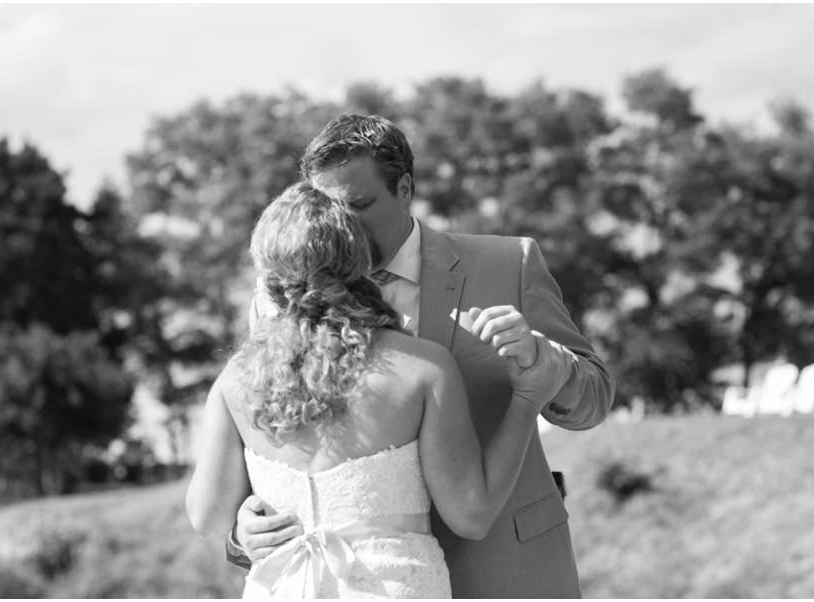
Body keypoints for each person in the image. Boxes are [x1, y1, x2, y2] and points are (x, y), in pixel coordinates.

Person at [228, 115, 616, 598]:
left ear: (405, 187)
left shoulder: (507, 263)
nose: (340, 225)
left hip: (511, 568)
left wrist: (546, 360)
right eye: (325, 208)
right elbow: (271, 441)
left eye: (359, 205)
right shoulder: (274, 303)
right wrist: (243, 527)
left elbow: (596, 398)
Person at [187, 182, 561, 598]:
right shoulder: (423, 367)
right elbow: (471, 515)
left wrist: (243, 527)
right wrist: (528, 398)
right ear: (357, 260)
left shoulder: (235, 381)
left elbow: (207, 519)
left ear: (269, 277)